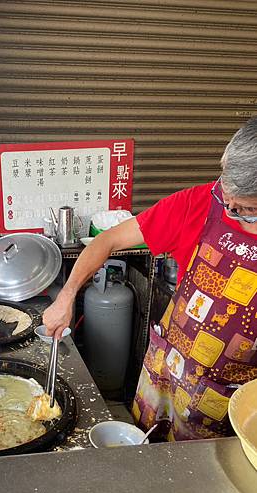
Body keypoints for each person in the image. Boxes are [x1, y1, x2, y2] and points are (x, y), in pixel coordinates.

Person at [43, 116, 257, 441]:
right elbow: (107, 240)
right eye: (226, 197)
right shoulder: (198, 204)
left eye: (243, 208)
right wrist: (66, 295)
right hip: (168, 372)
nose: (228, 208)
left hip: (236, 398)